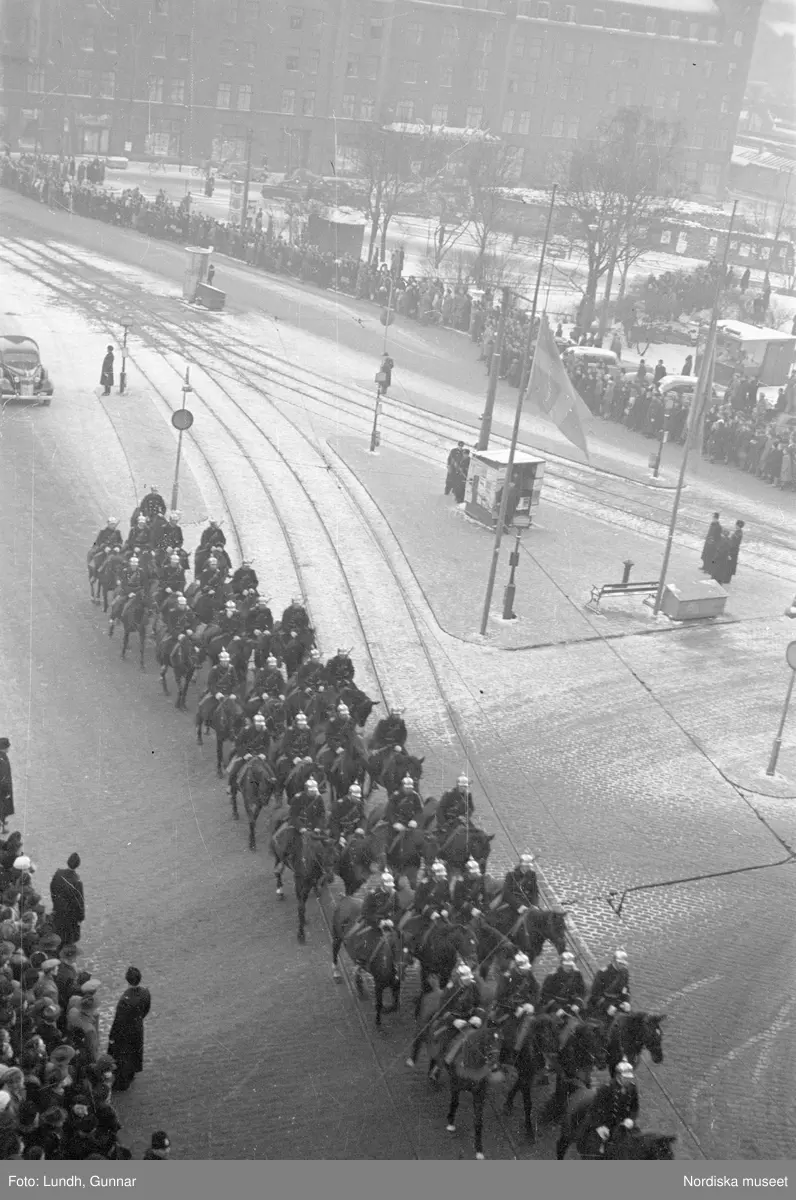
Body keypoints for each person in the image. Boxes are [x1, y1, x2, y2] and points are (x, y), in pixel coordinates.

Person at [107, 967, 151, 1092]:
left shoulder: (124, 1000)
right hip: (137, 1027)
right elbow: (146, 1009)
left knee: (123, 1055)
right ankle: (132, 1072)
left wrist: (112, 1036)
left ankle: (123, 1082)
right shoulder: (145, 992)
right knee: (135, 1051)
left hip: (124, 1031)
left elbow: (118, 1021)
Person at [586, 1060, 639, 1154]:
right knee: (599, 1152)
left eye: (629, 1078)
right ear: (618, 1076)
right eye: (625, 1078)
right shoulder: (606, 1088)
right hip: (606, 1124)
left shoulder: (632, 1088)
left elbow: (634, 1108)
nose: (628, 1080)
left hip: (624, 1124)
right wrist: (599, 1127)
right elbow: (594, 1110)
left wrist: (631, 1119)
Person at [227, 714, 270, 797]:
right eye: (258, 724)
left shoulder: (265, 731)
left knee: (270, 769)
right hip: (247, 754)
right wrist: (244, 754)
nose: (259, 726)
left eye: (261, 725)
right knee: (235, 769)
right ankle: (230, 786)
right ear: (254, 723)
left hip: (259, 755)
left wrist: (264, 754)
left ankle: (271, 788)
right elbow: (238, 744)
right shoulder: (246, 730)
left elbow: (267, 745)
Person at [49, 854, 85, 946]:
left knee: (58, 936)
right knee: (69, 940)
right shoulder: (77, 881)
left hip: (58, 911)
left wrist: (56, 903)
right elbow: (79, 903)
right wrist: (81, 917)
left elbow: (52, 889)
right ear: (78, 864)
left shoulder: (58, 874)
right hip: (70, 917)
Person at [494, 951, 540, 1023]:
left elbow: (536, 989)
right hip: (507, 1010)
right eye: (525, 968)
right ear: (518, 968)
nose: (527, 969)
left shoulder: (528, 973)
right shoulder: (507, 978)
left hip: (524, 1006)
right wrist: (516, 1008)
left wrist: (531, 1003)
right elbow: (500, 998)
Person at [540, 951, 586, 1017]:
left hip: (570, 1004)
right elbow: (545, 995)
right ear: (561, 964)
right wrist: (557, 1008)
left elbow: (582, 991)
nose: (569, 967)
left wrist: (577, 1004)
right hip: (554, 1005)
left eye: (571, 965)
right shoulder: (552, 976)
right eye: (567, 965)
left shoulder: (577, 974)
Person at [587, 950, 631, 1020]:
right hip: (602, 1003)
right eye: (620, 963)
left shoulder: (624, 972)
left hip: (617, 1002)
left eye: (623, 964)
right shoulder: (603, 972)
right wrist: (607, 1006)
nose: (622, 965)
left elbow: (625, 988)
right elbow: (595, 994)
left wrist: (626, 1001)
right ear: (614, 960)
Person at [0, 739, 13, 833]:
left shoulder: (3, 756)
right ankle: (2, 828)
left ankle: (3, 821)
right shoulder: (2, 760)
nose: (9, 748)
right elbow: (3, 778)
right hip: (2, 789)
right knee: (2, 807)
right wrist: (7, 792)